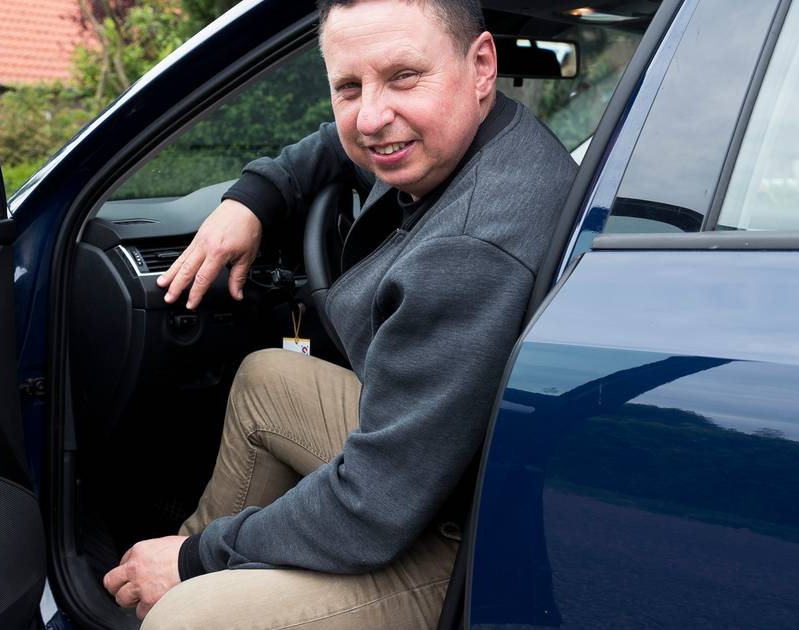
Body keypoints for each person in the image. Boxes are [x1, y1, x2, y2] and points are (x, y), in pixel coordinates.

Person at [104, 0, 577, 626]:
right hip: (455, 466)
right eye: (348, 87)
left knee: (190, 617)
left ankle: (169, 588)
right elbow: (337, 142)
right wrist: (253, 199)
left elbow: (371, 509)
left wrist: (197, 559)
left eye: (405, 77)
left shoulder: (470, 247)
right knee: (269, 379)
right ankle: (153, 581)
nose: (374, 117)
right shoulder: (464, 140)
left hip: (477, 538)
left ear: (481, 65)